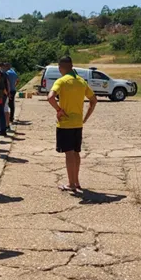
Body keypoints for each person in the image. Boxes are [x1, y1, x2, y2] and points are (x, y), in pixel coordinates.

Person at [47, 56, 97, 191]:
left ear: (60, 68)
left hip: (65, 123)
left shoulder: (61, 81)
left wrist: (58, 110)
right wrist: (85, 118)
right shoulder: (81, 81)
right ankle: (76, 181)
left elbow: (50, 97)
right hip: (78, 123)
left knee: (68, 153)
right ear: (72, 66)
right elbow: (94, 100)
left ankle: (71, 184)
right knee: (76, 152)